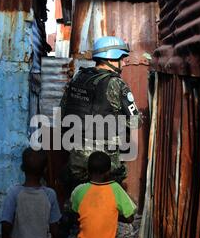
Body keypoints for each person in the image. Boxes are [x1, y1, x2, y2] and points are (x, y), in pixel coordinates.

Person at [60, 36, 142, 190]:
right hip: (105, 161)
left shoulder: (78, 78)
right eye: (122, 58)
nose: (124, 63)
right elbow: (135, 121)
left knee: (78, 199)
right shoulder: (116, 83)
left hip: (76, 156)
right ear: (111, 58)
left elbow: (63, 111)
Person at [71, 151, 137, 238]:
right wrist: (111, 215)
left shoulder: (79, 191)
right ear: (108, 172)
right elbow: (130, 218)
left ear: (88, 171)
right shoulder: (115, 189)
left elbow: (77, 213)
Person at [0, 147, 61, 238]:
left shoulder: (14, 193)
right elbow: (54, 225)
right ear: (45, 170)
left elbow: (6, 222)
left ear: (22, 168)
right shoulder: (50, 194)